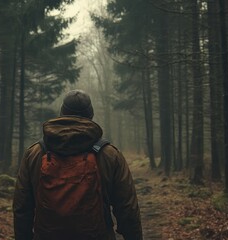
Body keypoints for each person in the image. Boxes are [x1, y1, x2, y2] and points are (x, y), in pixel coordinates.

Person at [13, 89, 143, 240]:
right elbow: (127, 209)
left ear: (62, 113)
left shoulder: (35, 153)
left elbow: (22, 208)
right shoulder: (109, 154)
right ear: (91, 115)